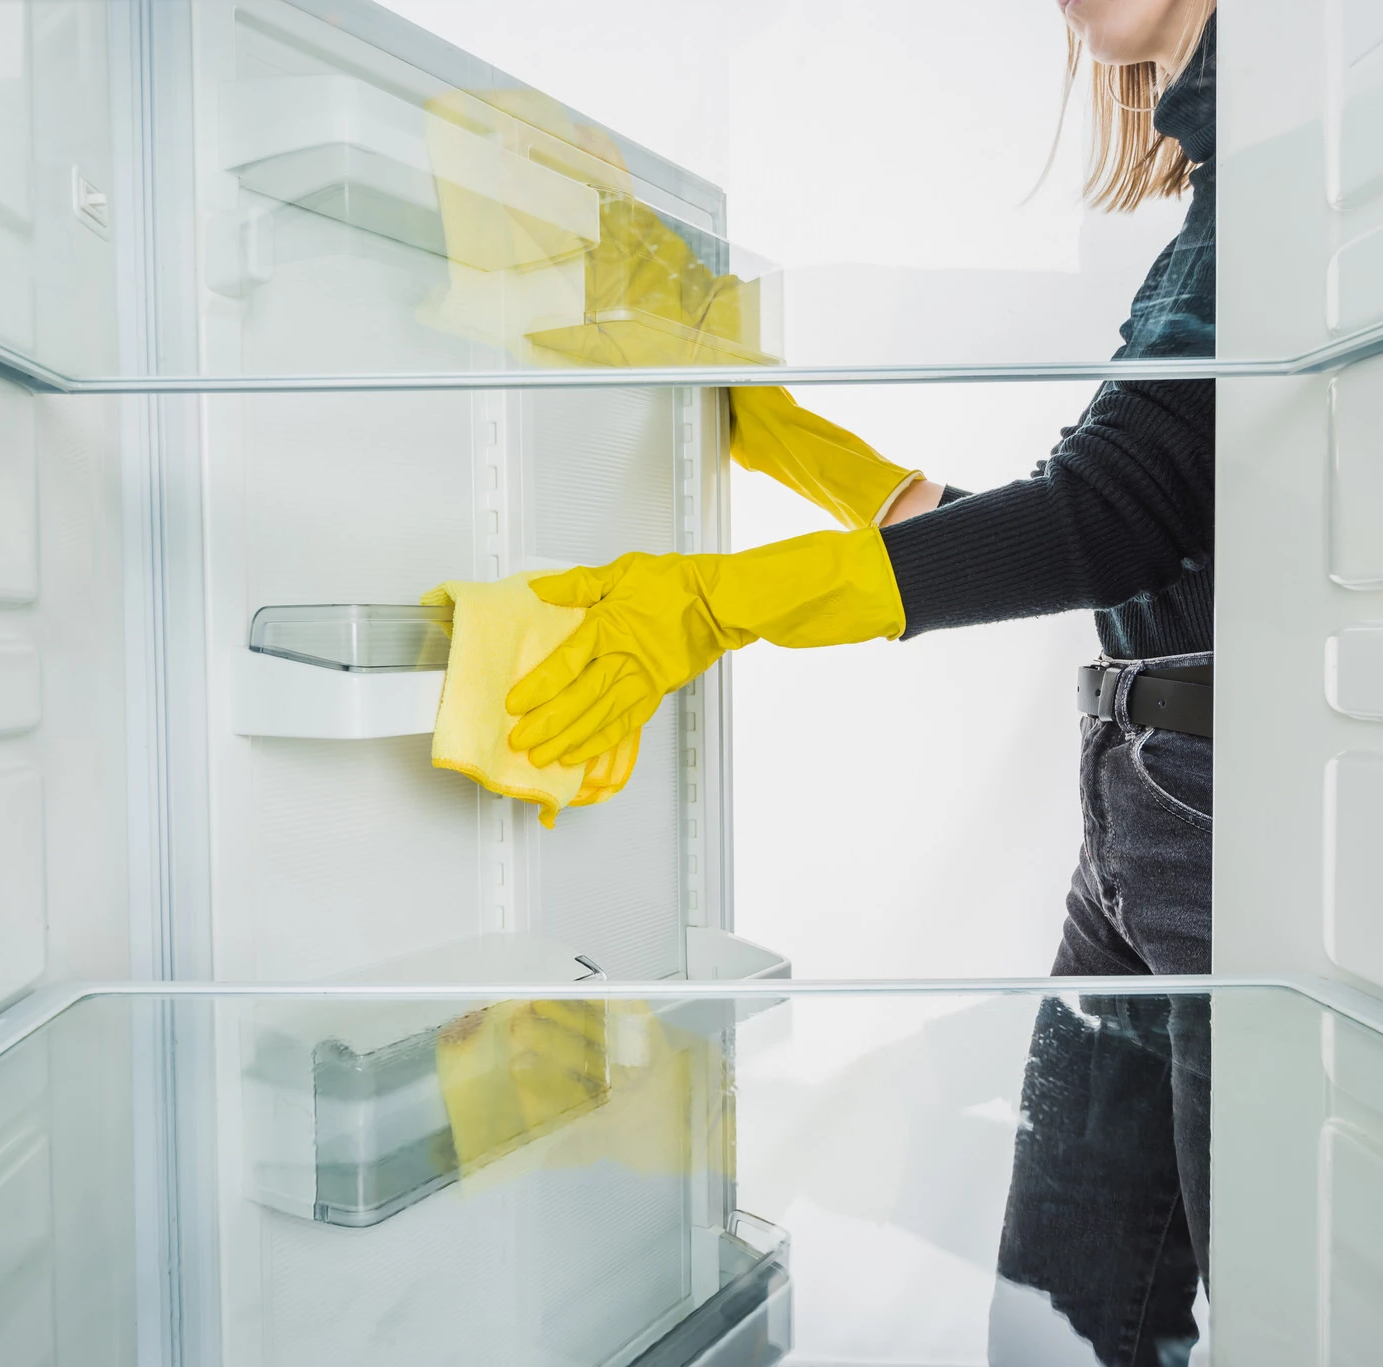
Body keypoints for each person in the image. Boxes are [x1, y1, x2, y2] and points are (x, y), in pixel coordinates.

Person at [505, 2, 1219, 1362]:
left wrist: (730, 599)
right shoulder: (1219, 218)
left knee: (1288, 1294)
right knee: (1064, 1319)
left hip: (1216, 827)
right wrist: (803, 449)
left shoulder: (1283, 183)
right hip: (1138, 817)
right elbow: (1150, 532)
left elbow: (1108, 511)